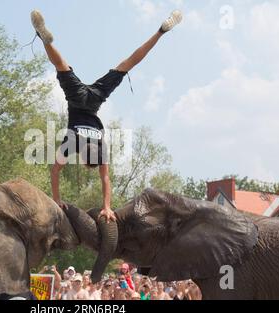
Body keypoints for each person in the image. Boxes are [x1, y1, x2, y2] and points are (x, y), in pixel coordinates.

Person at [30, 9, 183, 222]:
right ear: (83, 158)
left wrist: (107, 206)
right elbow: (56, 171)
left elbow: (105, 178)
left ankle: (160, 31)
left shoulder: (101, 147)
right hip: (77, 100)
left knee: (126, 65)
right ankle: (45, 41)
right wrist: (58, 200)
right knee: (61, 66)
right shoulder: (73, 143)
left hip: (94, 100)